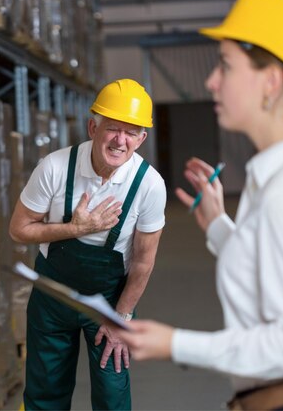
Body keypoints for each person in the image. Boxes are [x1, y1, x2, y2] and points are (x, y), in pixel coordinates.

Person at [118, 0, 283, 410]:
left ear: (270, 81)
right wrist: (218, 223)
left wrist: (176, 344)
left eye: (226, 66)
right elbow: (277, 273)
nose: (211, 81)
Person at [9, 78, 167, 410]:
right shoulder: (54, 167)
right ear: (93, 126)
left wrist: (121, 317)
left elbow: (143, 262)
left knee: (112, 395)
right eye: (112, 128)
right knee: (44, 393)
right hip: (53, 295)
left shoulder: (149, 185)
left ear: (142, 138)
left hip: (110, 302)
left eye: (131, 132)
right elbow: (19, 229)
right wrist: (74, 228)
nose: (120, 140)